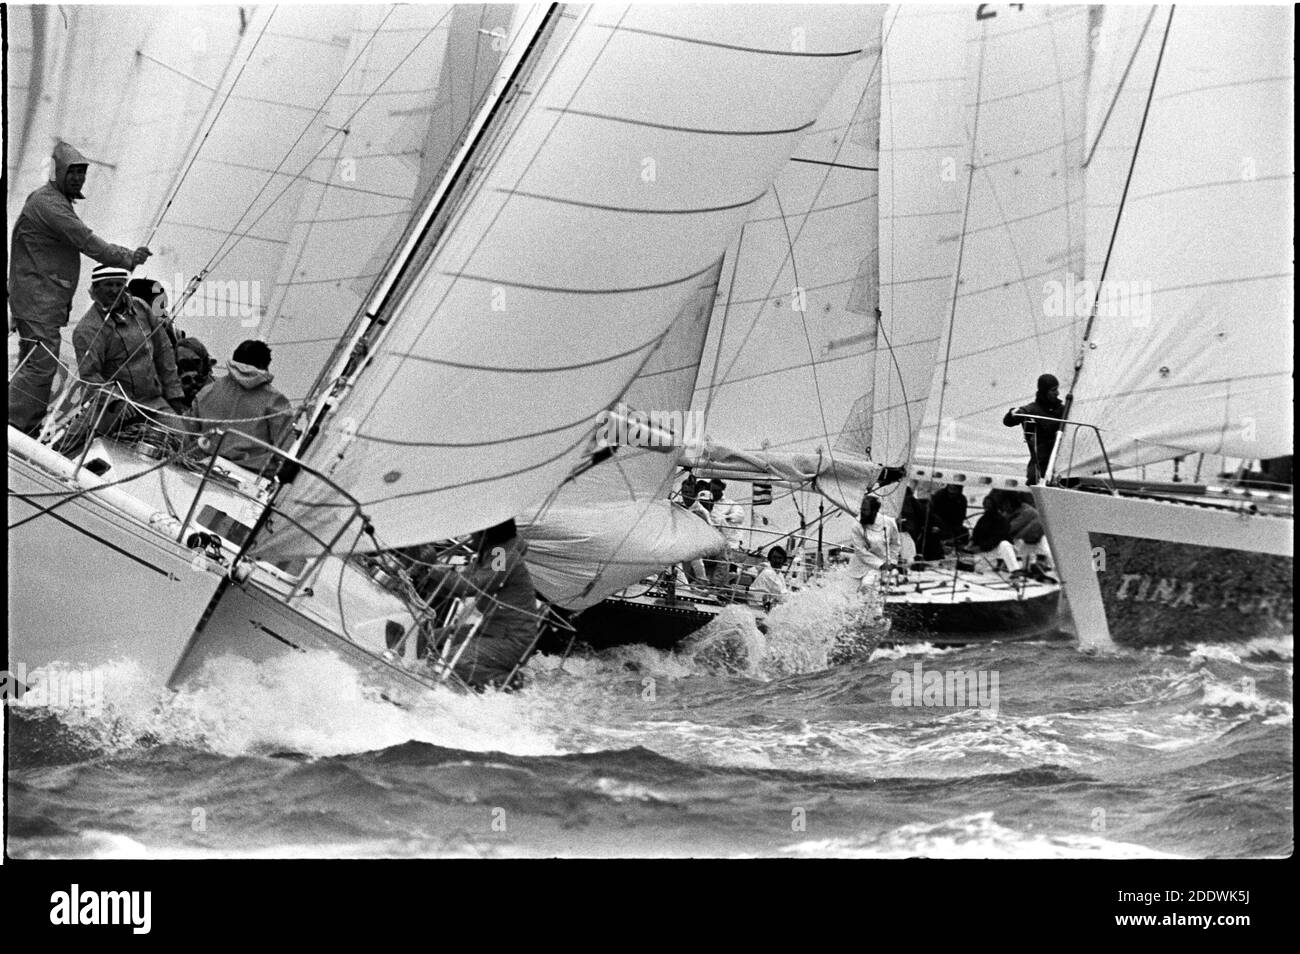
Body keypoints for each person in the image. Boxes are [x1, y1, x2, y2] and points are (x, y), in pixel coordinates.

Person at [8, 141, 152, 433]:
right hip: (37, 299)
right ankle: (14, 423)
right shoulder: (50, 205)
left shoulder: (53, 201)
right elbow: (86, 240)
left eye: (82, 173)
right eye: (72, 172)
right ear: (58, 172)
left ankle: (24, 423)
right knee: (41, 364)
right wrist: (127, 258)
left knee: (33, 361)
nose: (78, 178)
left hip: (38, 298)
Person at [420, 520, 540, 690]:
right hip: (490, 630)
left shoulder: (502, 555)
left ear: (486, 533)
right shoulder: (490, 553)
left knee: (456, 660)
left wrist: (434, 569)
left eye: (475, 531)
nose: (470, 536)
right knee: (427, 638)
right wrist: (429, 574)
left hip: (510, 639)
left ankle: (516, 684)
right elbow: (461, 585)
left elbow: (472, 585)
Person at [70, 264, 186, 435]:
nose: (114, 290)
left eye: (119, 284)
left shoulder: (141, 308)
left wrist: (174, 394)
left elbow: (163, 351)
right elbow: (90, 376)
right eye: (108, 285)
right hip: (109, 407)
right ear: (95, 289)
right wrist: (116, 401)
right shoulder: (87, 329)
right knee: (72, 447)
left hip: (151, 401)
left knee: (183, 439)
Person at [188, 339, 294, 474]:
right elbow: (287, 449)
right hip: (250, 476)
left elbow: (189, 432)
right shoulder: (275, 401)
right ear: (264, 365)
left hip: (203, 466)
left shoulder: (207, 391)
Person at [1003, 373, 1066, 485]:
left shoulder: (1063, 410)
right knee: (1034, 478)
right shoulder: (1031, 410)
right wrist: (1013, 413)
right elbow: (1008, 421)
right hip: (1040, 465)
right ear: (1044, 392)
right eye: (1053, 390)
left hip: (1062, 463)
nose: (1058, 393)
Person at [848, 493, 901, 589]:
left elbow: (895, 544)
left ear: (874, 511)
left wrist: (892, 561)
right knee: (847, 594)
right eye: (861, 509)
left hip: (881, 566)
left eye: (865, 510)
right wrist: (880, 565)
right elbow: (860, 550)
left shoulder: (889, 522)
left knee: (867, 585)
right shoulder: (856, 524)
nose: (862, 513)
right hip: (859, 565)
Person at [966, 492, 1021, 573]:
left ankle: (1015, 570)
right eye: (985, 504)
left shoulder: (1001, 520)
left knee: (1004, 544)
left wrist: (981, 548)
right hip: (985, 550)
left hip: (997, 548)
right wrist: (971, 543)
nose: (986, 506)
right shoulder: (983, 519)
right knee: (977, 569)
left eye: (989, 504)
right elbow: (976, 534)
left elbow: (997, 538)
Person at [707, 479, 746, 593]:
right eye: (711, 490)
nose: (713, 493)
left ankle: (717, 587)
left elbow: (740, 516)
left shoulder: (731, 504)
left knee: (723, 563)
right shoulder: (705, 501)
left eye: (716, 491)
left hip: (726, 543)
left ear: (722, 490)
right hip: (709, 542)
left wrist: (724, 518)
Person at [1005, 492, 1053, 573]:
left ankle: (1043, 566)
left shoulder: (1027, 512)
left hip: (1040, 536)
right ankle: (1033, 567)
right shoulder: (1017, 510)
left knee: (1045, 554)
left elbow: (1013, 527)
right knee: (1025, 557)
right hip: (1029, 539)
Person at [748, 545, 790, 610]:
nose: (777, 560)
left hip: (764, 604)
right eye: (774, 557)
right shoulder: (769, 573)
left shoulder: (778, 573)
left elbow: (782, 592)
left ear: (784, 560)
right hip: (757, 606)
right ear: (770, 559)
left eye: (780, 558)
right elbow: (782, 597)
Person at [929, 483, 970, 548]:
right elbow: (932, 513)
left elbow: (961, 516)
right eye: (951, 489)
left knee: (964, 532)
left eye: (954, 490)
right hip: (938, 523)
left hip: (953, 525)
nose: (952, 493)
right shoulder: (939, 496)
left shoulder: (962, 499)